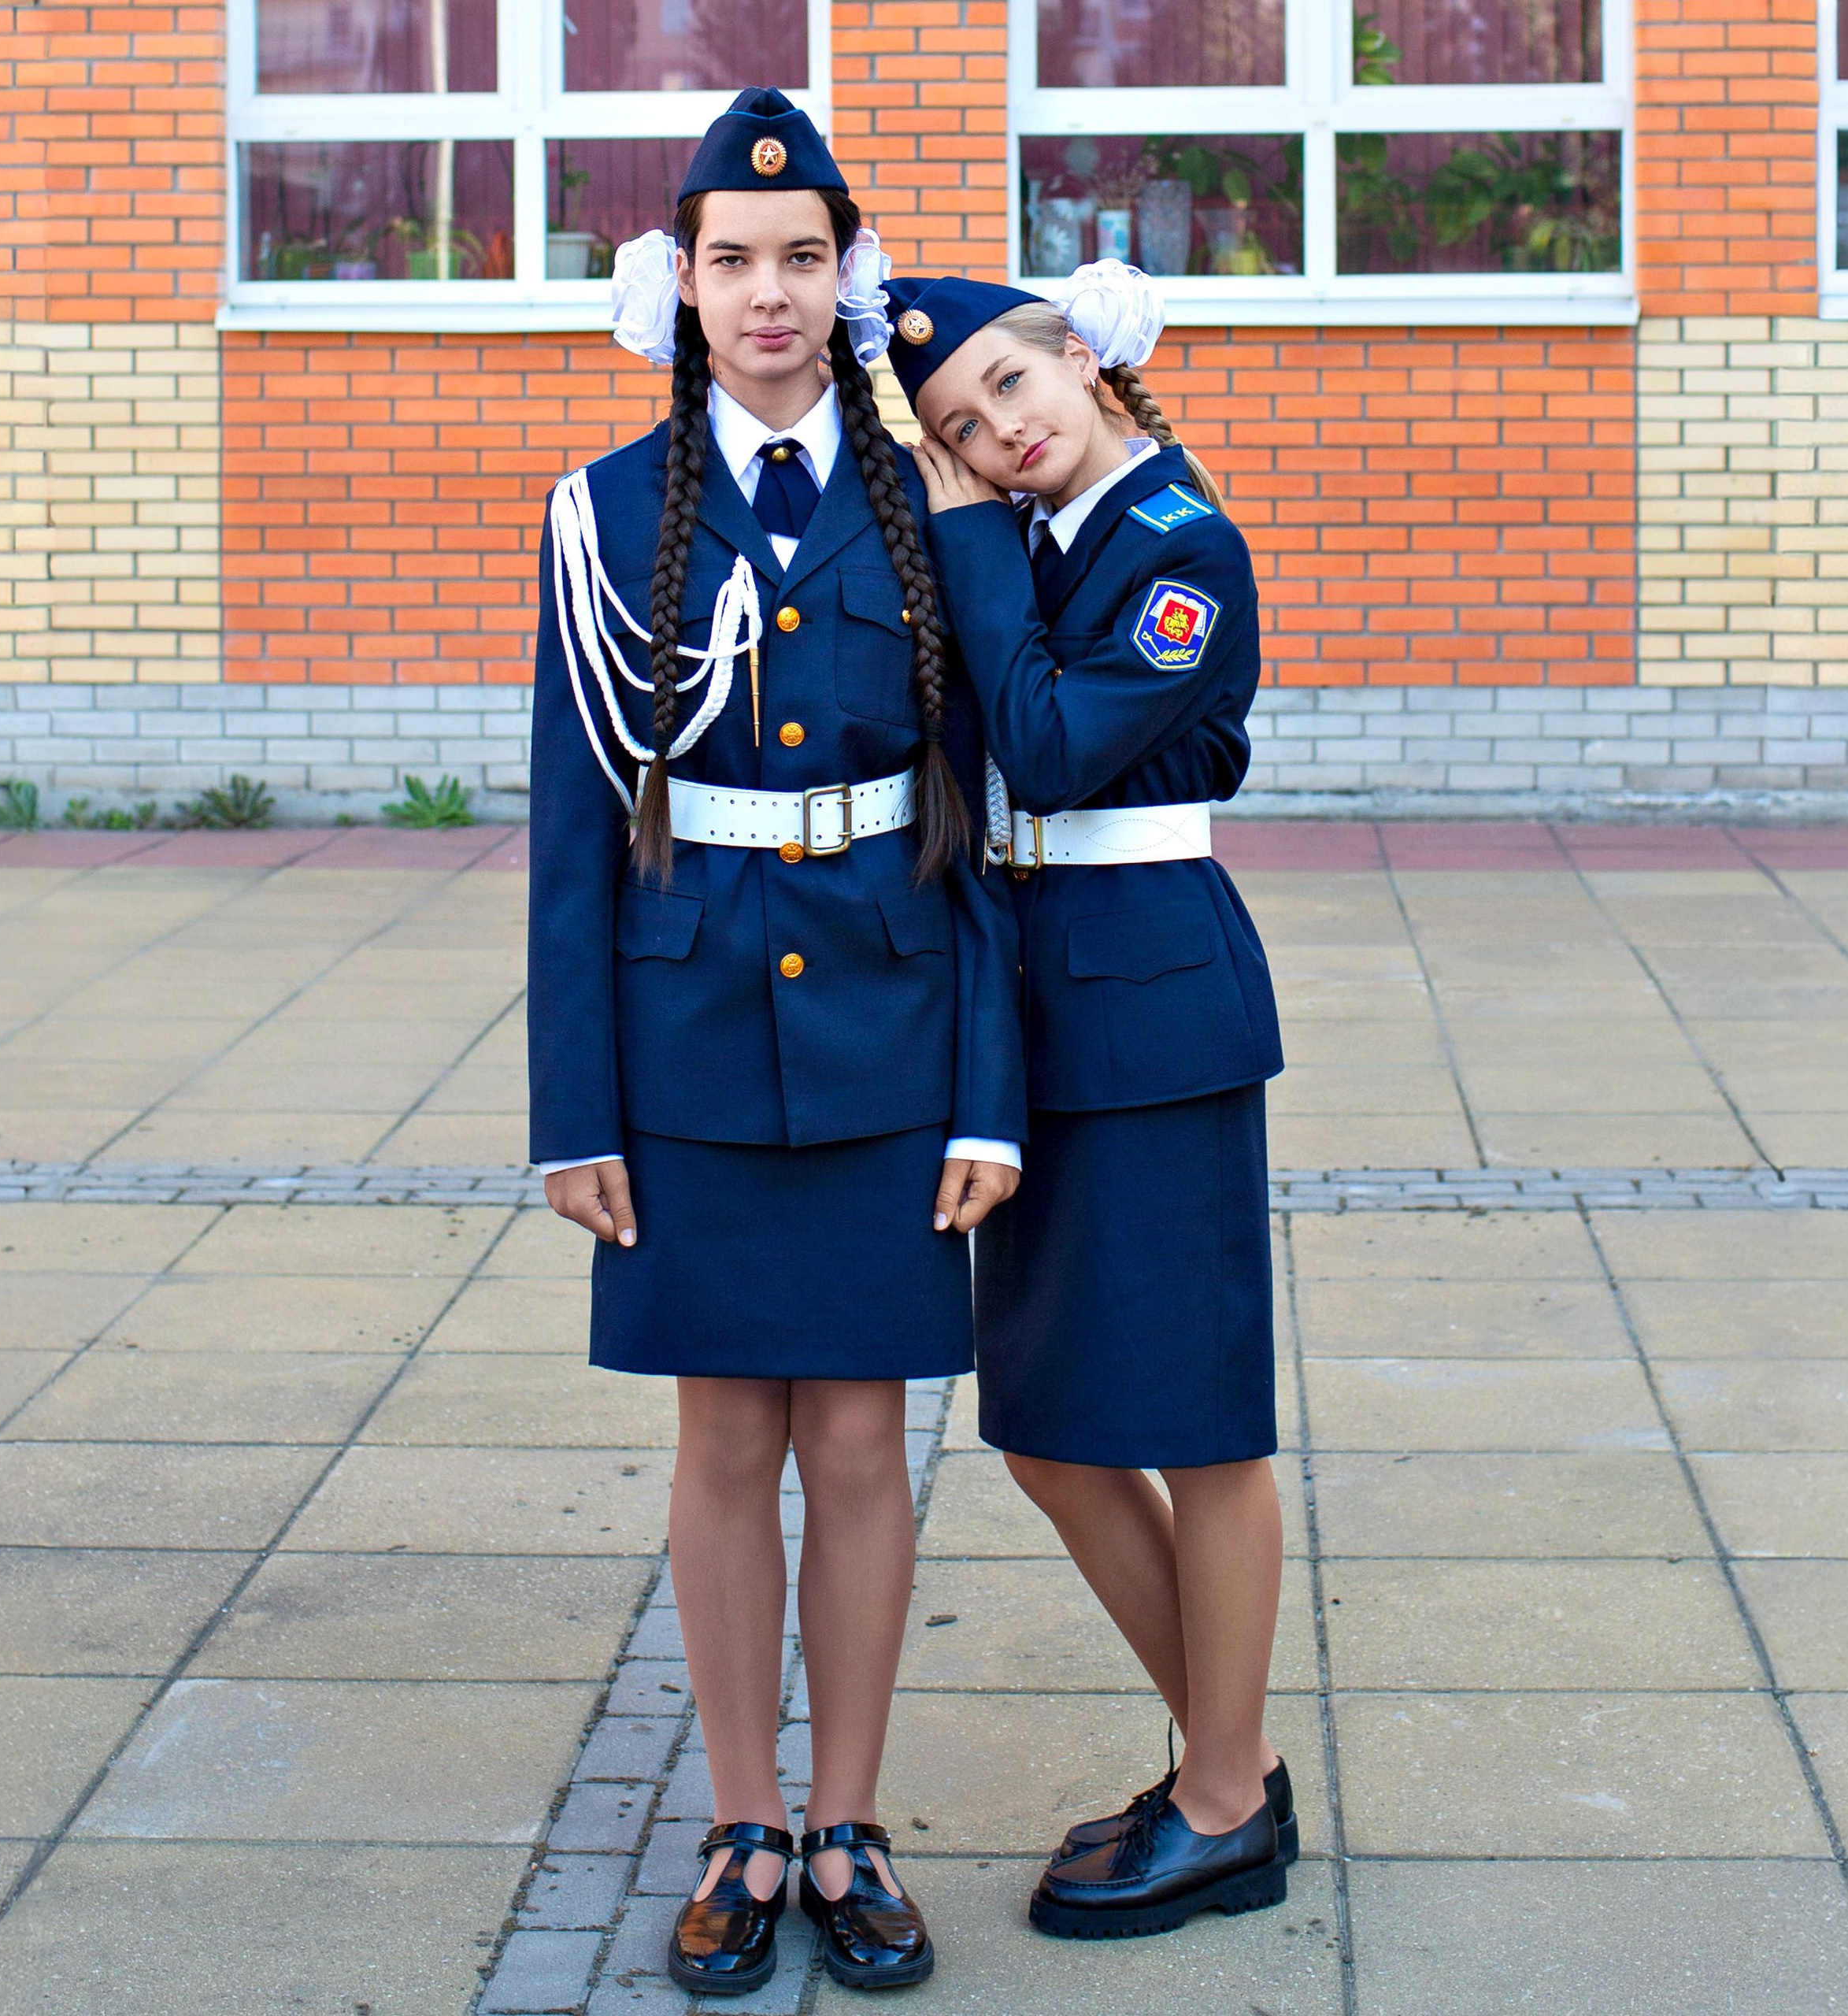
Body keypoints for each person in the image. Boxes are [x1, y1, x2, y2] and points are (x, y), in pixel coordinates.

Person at [527, 93, 1025, 1994]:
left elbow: (971, 821)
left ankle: (849, 1818)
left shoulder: (933, 509)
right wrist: (575, 1104)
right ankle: (742, 1819)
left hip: (895, 1025)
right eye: (731, 260)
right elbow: (575, 835)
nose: (767, 292)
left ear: (846, 279)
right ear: (679, 284)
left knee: (869, 1443)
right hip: (684, 1036)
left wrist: (991, 1089)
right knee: (726, 1432)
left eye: (801, 257)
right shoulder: (597, 515)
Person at [885, 264, 1292, 1940]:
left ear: (1078, 356)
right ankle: (1228, 1762)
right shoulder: (1050, 536)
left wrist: (963, 531)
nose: (996, 434)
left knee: (1197, 1424)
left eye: (1005, 387)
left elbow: (1046, 749)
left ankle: (1221, 1798)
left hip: (1158, 1011)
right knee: (1047, 1431)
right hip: (1038, 1011)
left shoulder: (1179, 547)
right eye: (957, 429)